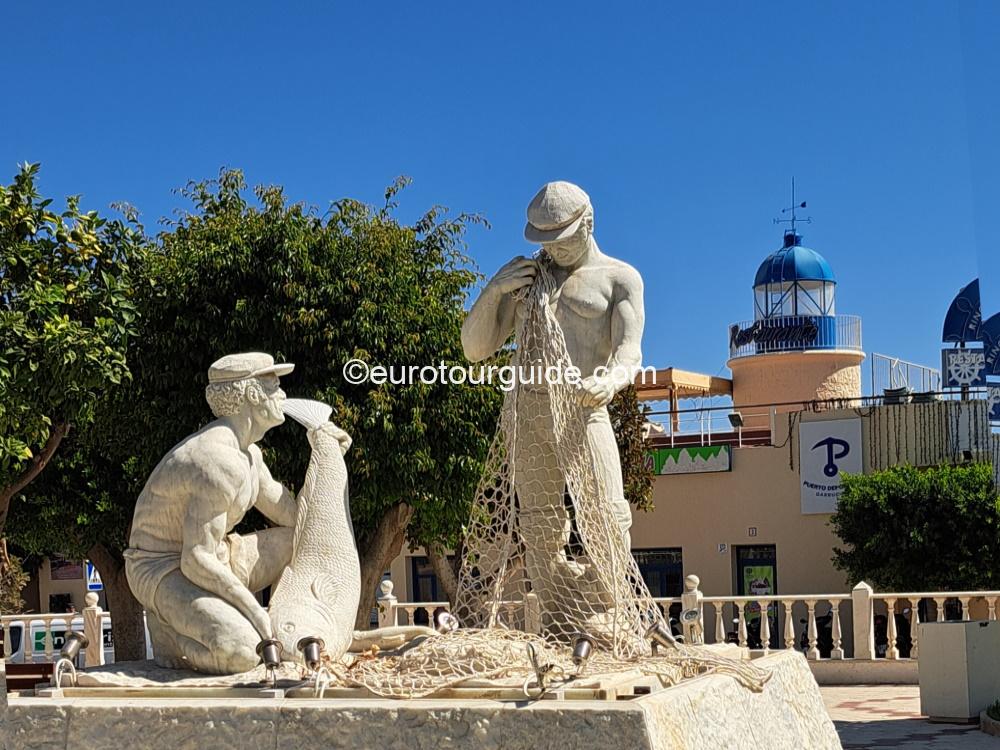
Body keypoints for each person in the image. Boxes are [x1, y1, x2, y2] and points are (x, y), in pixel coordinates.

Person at [461, 181, 645, 626]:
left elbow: (630, 349)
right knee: (539, 521)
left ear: (588, 223)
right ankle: (558, 614)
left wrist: (611, 380)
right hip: (529, 411)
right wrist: (494, 290)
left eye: (561, 239)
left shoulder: (619, 278)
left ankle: (609, 608)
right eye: (545, 241)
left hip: (583, 408)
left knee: (606, 513)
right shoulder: (525, 280)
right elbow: (474, 348)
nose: (554, 250)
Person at [125, 352, 325, 674]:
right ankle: (169, 630)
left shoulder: (250, 455)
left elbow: (296, 519)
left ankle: (287, 627)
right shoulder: (215, 460)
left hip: (217, 556)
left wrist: (326, 457)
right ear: (249, 393)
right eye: (273, 385)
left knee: (300, 541)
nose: (284, 394)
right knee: (242, 653)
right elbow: (194, 558)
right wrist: (255, 613)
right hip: (164, 568)